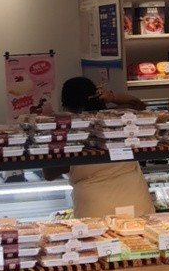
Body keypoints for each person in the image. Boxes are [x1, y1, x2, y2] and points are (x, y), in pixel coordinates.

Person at [43, 77, 155, 218]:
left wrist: (49, 127)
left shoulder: (67, 132)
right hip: (137, 202)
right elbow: (138, 104)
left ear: (66, 105)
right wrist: (112, 97)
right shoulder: (116, 119)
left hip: (95, 208)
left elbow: (49, 174)